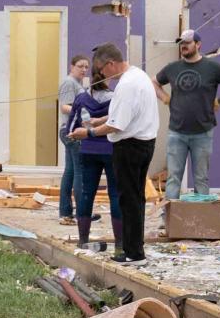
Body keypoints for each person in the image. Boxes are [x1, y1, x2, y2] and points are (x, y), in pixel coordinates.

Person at [80, 43, 158, 264]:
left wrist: (88, 132)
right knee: (135, 198)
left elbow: (117, 125)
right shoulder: (138, 76)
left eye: (101, 69)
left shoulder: (127, 85)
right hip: (144, 143)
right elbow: (123, 111)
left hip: (130, 147)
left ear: (111, 64)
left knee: (129, 199)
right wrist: (100, 120)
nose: (101, 74)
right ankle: (135, 249)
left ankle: (134, 253)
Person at [154, 29, 220, 205]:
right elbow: (154, 82)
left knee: (201, 180)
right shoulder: (173, 68)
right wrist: (165, 98)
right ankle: (170, 222)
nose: (184, 46)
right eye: (182, 44)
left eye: (187, 43)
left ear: (198, 44)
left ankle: (200, 224)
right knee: (173, 179)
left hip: (203, 132)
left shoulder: (212, 68)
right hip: (176, 132)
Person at [65, 68, 120, 249]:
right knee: (115, 195)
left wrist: (76, 135)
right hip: (112, 150)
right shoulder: (116, 97)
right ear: (108, 77)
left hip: (88, 150)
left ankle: (83, 240)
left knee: (87, 194)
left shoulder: (81, 98)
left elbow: (70, 127)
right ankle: (120, 243)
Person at [57, 55, 90, 225]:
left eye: (86, 66)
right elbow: (64, 107)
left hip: (69, 131)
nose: (84, 69)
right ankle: (82, 213)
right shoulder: (69, 82)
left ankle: (65, 213)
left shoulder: (79, 84)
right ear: (72, 66)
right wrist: (86, 115)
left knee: (70, 171)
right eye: (80, 66)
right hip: (71, 131)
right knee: (79, 172)